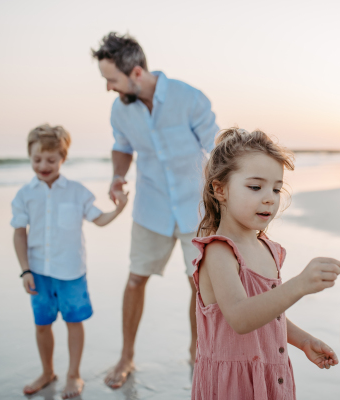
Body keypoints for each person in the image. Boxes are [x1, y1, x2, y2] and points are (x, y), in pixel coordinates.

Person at [91, 32, 219, 388]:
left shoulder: (188, 98)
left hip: (196, 206)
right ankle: (126, 356)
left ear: (134, 73)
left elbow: (218, 149)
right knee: (135, 279)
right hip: (151, 206)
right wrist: (118, 176)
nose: (107, 88)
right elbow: (122, 145)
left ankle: (198, 352)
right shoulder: (120, 109)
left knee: (199, 284)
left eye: (111, 80)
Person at [191, 128, 340, 399]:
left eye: (276, 188)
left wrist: (303, 340)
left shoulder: (268, 249)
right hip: (233, 385)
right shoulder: (219, 252)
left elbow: (269, 315)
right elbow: (240, 317)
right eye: (255, 187)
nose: (270, 198)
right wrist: (298, 285)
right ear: (220, 189)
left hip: (271, 375)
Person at [12, 124, 128, 399]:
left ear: (62, 158)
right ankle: (47, 371)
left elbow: (99, 220)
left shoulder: (77, 192)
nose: (43, 165)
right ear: (29, 158)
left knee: (74, 322)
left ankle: (73, 374)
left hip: (71, 273)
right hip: (38, 272)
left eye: (51, 160)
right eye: (37, 159)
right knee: (42, 324)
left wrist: (119, 208)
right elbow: (19, 234)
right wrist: (25, 270)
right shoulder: (24, 195)